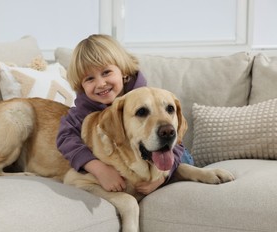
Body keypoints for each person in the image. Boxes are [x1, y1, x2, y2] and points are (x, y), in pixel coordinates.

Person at [56, 34, 193, 195]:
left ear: (123, 72)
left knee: (182, 159)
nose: (101, 84)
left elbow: (176, 141)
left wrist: (162, 178)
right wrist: (100, 169)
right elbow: (65, 138)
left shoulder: (143, 97)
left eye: (106, 72)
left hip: (172, 153)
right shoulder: (81, 112)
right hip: (136, 157)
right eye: (90, 78)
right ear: (81, 86)